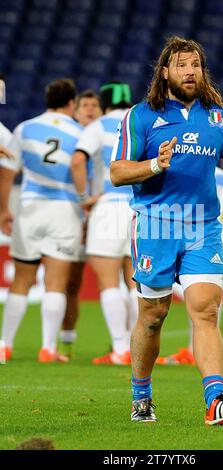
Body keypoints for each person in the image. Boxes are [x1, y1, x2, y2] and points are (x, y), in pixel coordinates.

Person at [110, 36, 223, 425]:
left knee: (205, 310)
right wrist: (155, 166)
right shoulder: (141, 115)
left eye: (195, 65)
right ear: (165, 72)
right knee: (154, 315)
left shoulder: (219, 117)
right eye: (181, 65)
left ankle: (216, 399)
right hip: (155, 225)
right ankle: (141, 395)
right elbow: (117, 172)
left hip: (203, 226)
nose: (189, 71)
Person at [0, 78, 84, 363]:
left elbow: (8, 172)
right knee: (55, 283)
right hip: (65, 210)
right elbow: (84, 173)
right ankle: (48, 348)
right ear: (71, 103)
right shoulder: (80, 133)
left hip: (29, 207)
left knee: (22, 280)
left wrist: (3, 211)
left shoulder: (25, 128)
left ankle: (5, 345)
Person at [159, 166, 223, 364]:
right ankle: (195, 349)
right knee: (211, 275)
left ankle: (194, 351)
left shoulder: (176, 168)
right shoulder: (200, 160)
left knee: (202, 277)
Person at [71, 81, 138, 365]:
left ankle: (120, 349)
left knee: (109, 282)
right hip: (138, 209)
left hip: (108, 206)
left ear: (104, 102)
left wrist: (85, 196)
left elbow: (77, 160)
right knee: (136, 283)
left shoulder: (97, 127)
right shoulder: (140, 122)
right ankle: (138, 347)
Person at [60, 89, 102, 356]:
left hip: (104, 214)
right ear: (75, 111)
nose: (89, 109)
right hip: (75, 215)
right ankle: (67, 339)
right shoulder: (71, 139)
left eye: (93, 105)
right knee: (70, 282)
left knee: (119, 280)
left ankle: (123, 343)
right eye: (84, 105)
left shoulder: (107, 136)